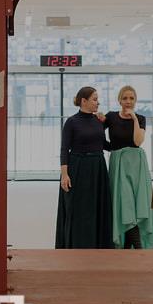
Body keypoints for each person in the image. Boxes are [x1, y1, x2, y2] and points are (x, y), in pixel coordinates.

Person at [55, 86, 114, 249]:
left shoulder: (98, 121)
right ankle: (76, 245)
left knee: (97, 208)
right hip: (78, 168)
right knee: (78, 209)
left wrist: (126, 142)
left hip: (98, 168)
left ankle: (97, 246)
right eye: (94, 99)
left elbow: (104, 144)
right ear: (84, 101)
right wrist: (64, 175)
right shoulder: (72, 122)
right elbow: (64, 149)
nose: (98, 102)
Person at [103, 86, 153, 250]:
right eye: (125, 98)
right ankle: (137, 246)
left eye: (131, 98)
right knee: (125, 203)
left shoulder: (140, 118)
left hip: (137, 165)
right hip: (119, 163)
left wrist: (134, 119)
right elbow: (96, 133)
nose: (128, 101)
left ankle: (129, 246)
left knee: (137, 204)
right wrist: (111, 147)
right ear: (119, 100)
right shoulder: (111, 117)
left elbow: (138, 141)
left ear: (135, 100)